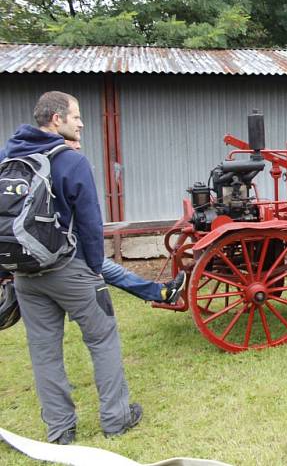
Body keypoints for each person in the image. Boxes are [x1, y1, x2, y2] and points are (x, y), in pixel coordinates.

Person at [0, 92, 142, 445]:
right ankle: (116, 419)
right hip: (69, 269)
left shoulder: (7, 155)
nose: (81, 123)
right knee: (103, 338)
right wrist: (95, 268)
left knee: (44, 352)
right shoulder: (72, 161)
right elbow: (91, 224)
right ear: (55, 119)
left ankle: (60, 431)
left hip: (25, 276)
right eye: (76, 116)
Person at [62, 140, 186, 304]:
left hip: (55, 254)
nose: (78, 145)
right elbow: (88, 221)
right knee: (111, 282)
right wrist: (94, 261)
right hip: (71, 252)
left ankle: (162, 292)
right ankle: (163, 293)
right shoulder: (71, 167)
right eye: (74, 140)